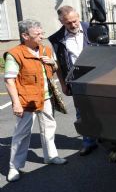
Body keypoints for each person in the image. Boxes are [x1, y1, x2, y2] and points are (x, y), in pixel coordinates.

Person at [4, 19, 68, 182]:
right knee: (22, 133)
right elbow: (9, 80)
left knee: (49, 127)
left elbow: (53, 69)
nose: (41, 36)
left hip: (46, 97)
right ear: (25, 36)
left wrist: (52, 62)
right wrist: (16, 103)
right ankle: (14, 167)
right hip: (27, 100)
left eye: (42, 33)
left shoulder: (45, 50)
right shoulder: (15, 54)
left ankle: (51, 156)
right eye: (37, 34)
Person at [48, 6, 96, 156]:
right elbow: (60, 66)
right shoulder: (56, 39)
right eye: (68, 23)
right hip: (76, 80)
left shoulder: (92, 29)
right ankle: (88, 142)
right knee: (81, 112)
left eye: (75, 21)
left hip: (98, 77)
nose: (73, 25)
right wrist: (63, 84)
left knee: (105, 108)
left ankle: (109, 141)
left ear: (79, 16)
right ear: (61, 22)